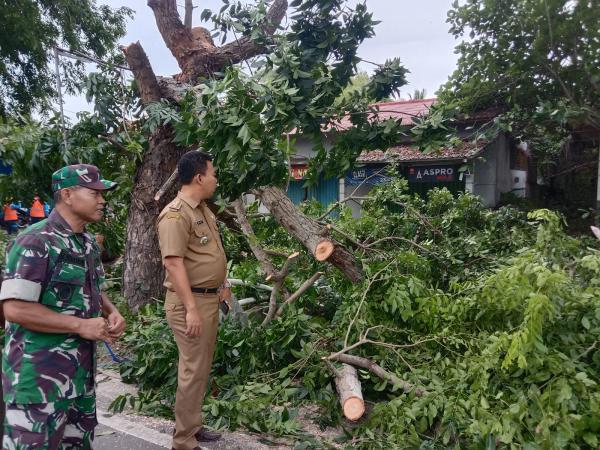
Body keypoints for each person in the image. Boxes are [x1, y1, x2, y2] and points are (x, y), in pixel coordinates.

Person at [0, 164, 126, 449]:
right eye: (94, 193)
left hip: (79, 381)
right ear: (68, 195)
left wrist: (111, 311)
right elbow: (15, 309)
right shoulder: (35, 240)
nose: (102, 199)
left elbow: (92, 288)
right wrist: (81, 325)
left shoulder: (87, 243)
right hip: (37, 384)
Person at [157, 150, 231, 450]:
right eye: (212, 173)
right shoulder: (175, 214)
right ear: (199, 177)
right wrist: (191, 310)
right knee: (192, 370)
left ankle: (192, 425)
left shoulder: (201, 209)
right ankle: (183, 441)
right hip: (190, 304)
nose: (215, 179)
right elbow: (173, 264)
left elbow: (209, 255)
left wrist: (222, 285)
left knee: (200, 368)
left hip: (207, 300)